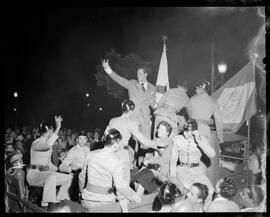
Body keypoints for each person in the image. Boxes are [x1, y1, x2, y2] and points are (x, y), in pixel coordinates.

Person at [102, 59, 156, 166]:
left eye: (140, 73)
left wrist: (156, 107)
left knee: (145, 143)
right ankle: (129, 163)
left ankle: (143, 166)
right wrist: (108, 69)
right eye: (137, 74)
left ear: (146, 74)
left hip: (145, 119)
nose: (138, 75)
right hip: (133, 118)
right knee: (132, 141)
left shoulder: (152, 87)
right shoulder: (132, 84)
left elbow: (152, 102)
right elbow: (119, 80)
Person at [79, 129, 141, 212]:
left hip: (87, 199)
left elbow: (82, 176)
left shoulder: (91, 154)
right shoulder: (117, 161)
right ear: (116, 143)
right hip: (105, 201)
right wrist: (133, 195)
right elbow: (120, 186)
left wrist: (81, 191)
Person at [104, 99, 165, 169]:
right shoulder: (131, 123)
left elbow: (104, 137)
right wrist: (156, 145)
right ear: (131, 111)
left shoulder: (112, 120)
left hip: (109, 153)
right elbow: (143, 140)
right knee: (123, 178)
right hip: (122, 155)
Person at [26, 116, 73, 207]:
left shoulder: (47, 143)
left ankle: (60, 199)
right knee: (51, 176)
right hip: (34, 175)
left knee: (69, 178)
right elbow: (47, 145)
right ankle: (46, 205)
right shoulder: (36, 142)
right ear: (50, 130)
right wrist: (58, 127)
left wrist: (61, 168)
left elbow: (48, 164)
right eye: (52, 130)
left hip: (46, 174)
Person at [170, 119, 215, 209]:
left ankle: (206, 210)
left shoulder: (201, 140)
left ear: (194, 131)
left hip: (198, 171)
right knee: (191, 191)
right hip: (182, 171)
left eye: (188, 132)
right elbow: (174, 159)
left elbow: (212, 154)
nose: (185, 134)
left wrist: (199, 141)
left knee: (210, 190)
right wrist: (173, 176)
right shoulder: (177, 139)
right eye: (184, 131)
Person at [132, 121, 173, 196]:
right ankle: (142, 198)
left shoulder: (168, 143)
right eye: (158, 129)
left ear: (167, 133)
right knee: (135, 178)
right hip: (151, 166)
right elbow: (149, 153)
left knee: (142, 179)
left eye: (162, 130)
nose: (158, 131)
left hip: (161, 169)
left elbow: (163, 161)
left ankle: (138, 200)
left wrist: (149, 161)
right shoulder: (156, 140)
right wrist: (145, 162)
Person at [59, 131, 90, 201]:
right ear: (77, 140)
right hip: (76, 176)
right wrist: (71, 169)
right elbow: (62, 166)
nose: (82, 141)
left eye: (84, 139)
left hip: (87, 176)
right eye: (80, 139)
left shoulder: (88, 149)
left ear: (87, 140)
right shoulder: (73, 150)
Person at [190, 80, 223, 144]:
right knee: (204, 152)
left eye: (197, 88)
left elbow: (189, 114)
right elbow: (219, 122)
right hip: (205, 131)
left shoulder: (193, 99)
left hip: (192, 129)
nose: (195, 90)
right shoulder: (214, 102)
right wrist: (220, 137)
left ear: (202, 89)